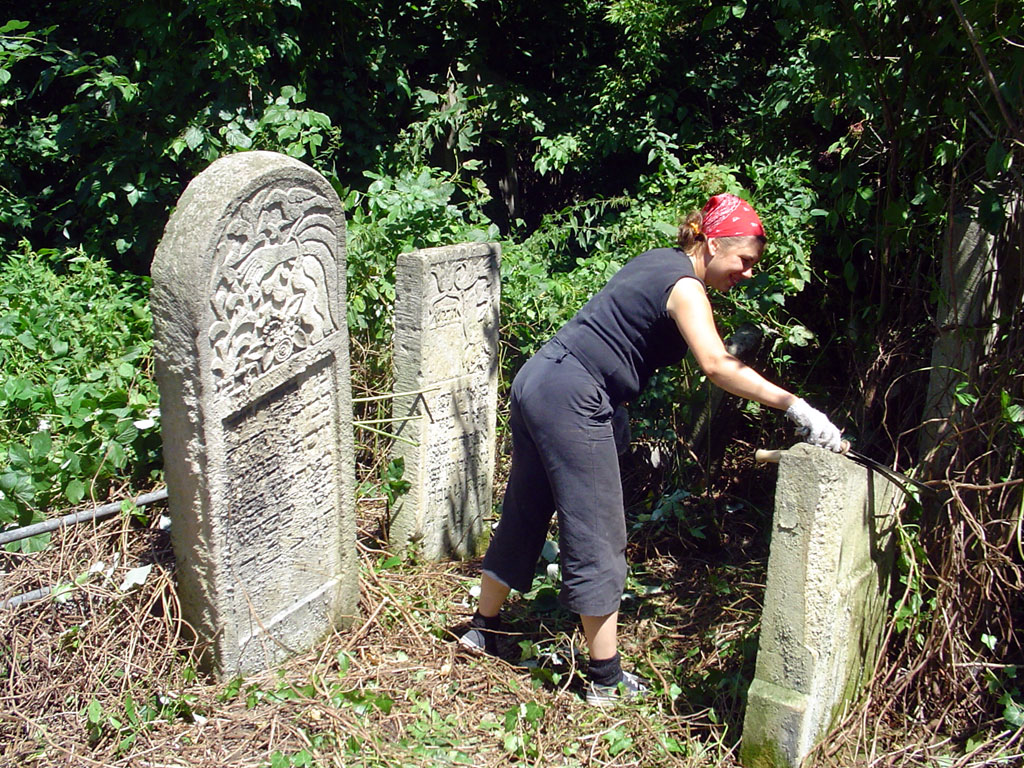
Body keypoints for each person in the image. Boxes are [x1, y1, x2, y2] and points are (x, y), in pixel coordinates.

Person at [459, 193, 843, 707]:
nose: (748, 272)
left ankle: (482, 630)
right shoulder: (686, 287)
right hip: (573, 394)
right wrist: (796, 406)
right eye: (745, 260)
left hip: (541, 377)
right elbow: (717, 365)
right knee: (598, 528)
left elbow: (615, 336)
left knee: (526, 508)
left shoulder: (659, 261)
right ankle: (605, 678)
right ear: (713, 244)